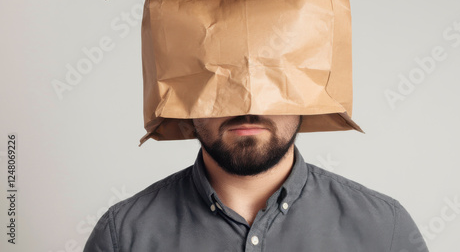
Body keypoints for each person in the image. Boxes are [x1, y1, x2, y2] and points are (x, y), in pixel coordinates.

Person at [83, 114, 429, 251]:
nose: (248, 104)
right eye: (220, 80)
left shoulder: (385, 229)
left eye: (273, 80)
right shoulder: (123, 236)